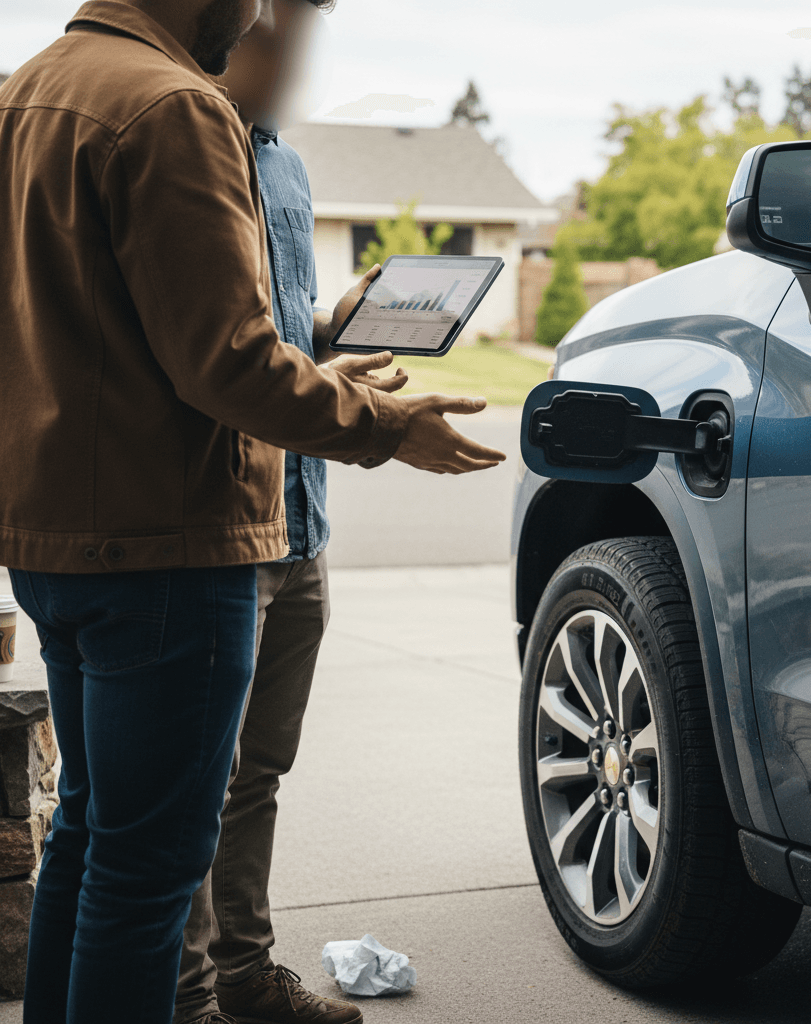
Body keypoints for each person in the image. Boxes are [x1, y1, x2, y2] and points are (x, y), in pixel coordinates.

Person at [0, 3, 504, 1023]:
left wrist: (315, 353)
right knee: (147, 874)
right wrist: (386, 424)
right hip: (169, 548)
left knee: (91, 834)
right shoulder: (174, 105)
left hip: (53, 539)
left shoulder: (25, 93)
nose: (266, 17)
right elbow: (226, 363)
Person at [174, 3, 401, 1021]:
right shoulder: (177, 143)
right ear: (241, 23)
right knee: (179, 784)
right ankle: (175, 993)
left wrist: (333, 319)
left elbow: (275, 334)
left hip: (302, 517)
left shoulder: (290, 167)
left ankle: (241, 975)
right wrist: (387, 425)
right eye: (291, 35)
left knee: (258, 769)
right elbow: (206, 353)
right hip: (219, 525)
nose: (302, 61)